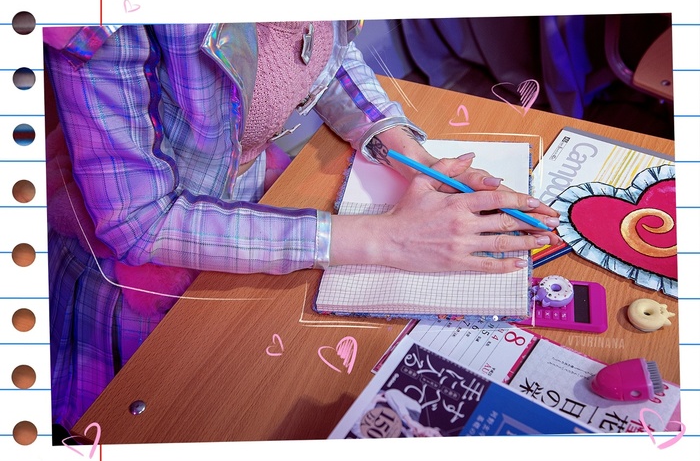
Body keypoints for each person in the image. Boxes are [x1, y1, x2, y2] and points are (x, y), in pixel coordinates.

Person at [43, 22, 561, 430]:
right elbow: (139, 223)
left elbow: (323, 59)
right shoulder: (108, 19)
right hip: (133, 285)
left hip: (259, 208)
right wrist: (386, 238)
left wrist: (405, 150)